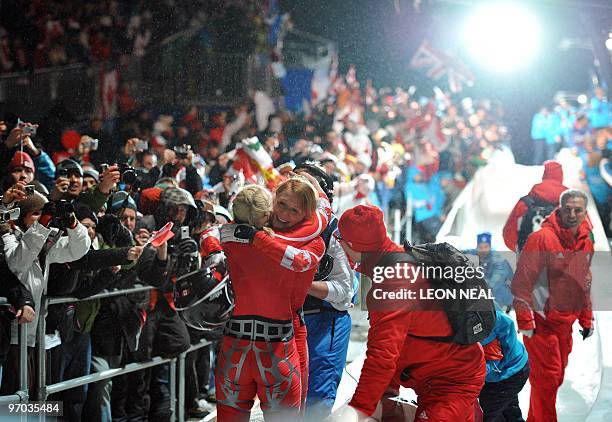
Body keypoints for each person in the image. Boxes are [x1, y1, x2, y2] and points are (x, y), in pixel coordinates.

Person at [331, 205, 485, 421]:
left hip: (452, 384)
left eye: (340, 239)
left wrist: (359, 408)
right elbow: (399, 340)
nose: (338, 245)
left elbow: (383, 355)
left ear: (354, 246)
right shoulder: (398, 260)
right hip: (435, 376)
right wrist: (388, 392)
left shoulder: (394, 282)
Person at [213, 183, 326, 421]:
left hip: (240, 348)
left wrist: (255, 238)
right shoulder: (234, 232)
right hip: (277, 349)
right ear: (272, 200)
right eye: (281, 204)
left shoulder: (234, 234)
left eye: (294, 211)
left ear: (306, 215)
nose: (284, 214)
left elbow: (298, 260)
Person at [511, 189, 594, 422]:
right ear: (560, 208)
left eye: (578, 210)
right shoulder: (542, 239)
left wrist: (586, 318)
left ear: (585, 212)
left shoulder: (586, 242)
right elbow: (521, 282)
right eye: (567, 209)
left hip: (564, 323)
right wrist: (525, 320)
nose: (572, 214)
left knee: (553, 380)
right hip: (540, 324)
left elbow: (584, 282)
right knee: (546, 380)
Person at [294, 162, 355, 419]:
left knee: (316, 402)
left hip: (325, 322)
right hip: (290, 321)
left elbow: (345, 291)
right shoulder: (282, 226)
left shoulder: (334, 231)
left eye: (306, 185)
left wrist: (300, 283)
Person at [503, 161, 568, 253]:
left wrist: (519, 250)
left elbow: (509, 232)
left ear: (544, 175)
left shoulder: (526, 202)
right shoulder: (570, 203)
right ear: (561, 177)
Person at [478, 310, 530, 421]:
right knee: (508, 410)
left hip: (508, 373)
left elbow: (492, 361)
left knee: (489, 412)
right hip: (511, 369)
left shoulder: (484, 322)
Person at [468, 232, 514, 311]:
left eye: (486, 247)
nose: (483, 250)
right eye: (480, 247)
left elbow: (497, 278)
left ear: (490, 247)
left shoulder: (498, 258)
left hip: (499, 292)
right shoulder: (472, 255)